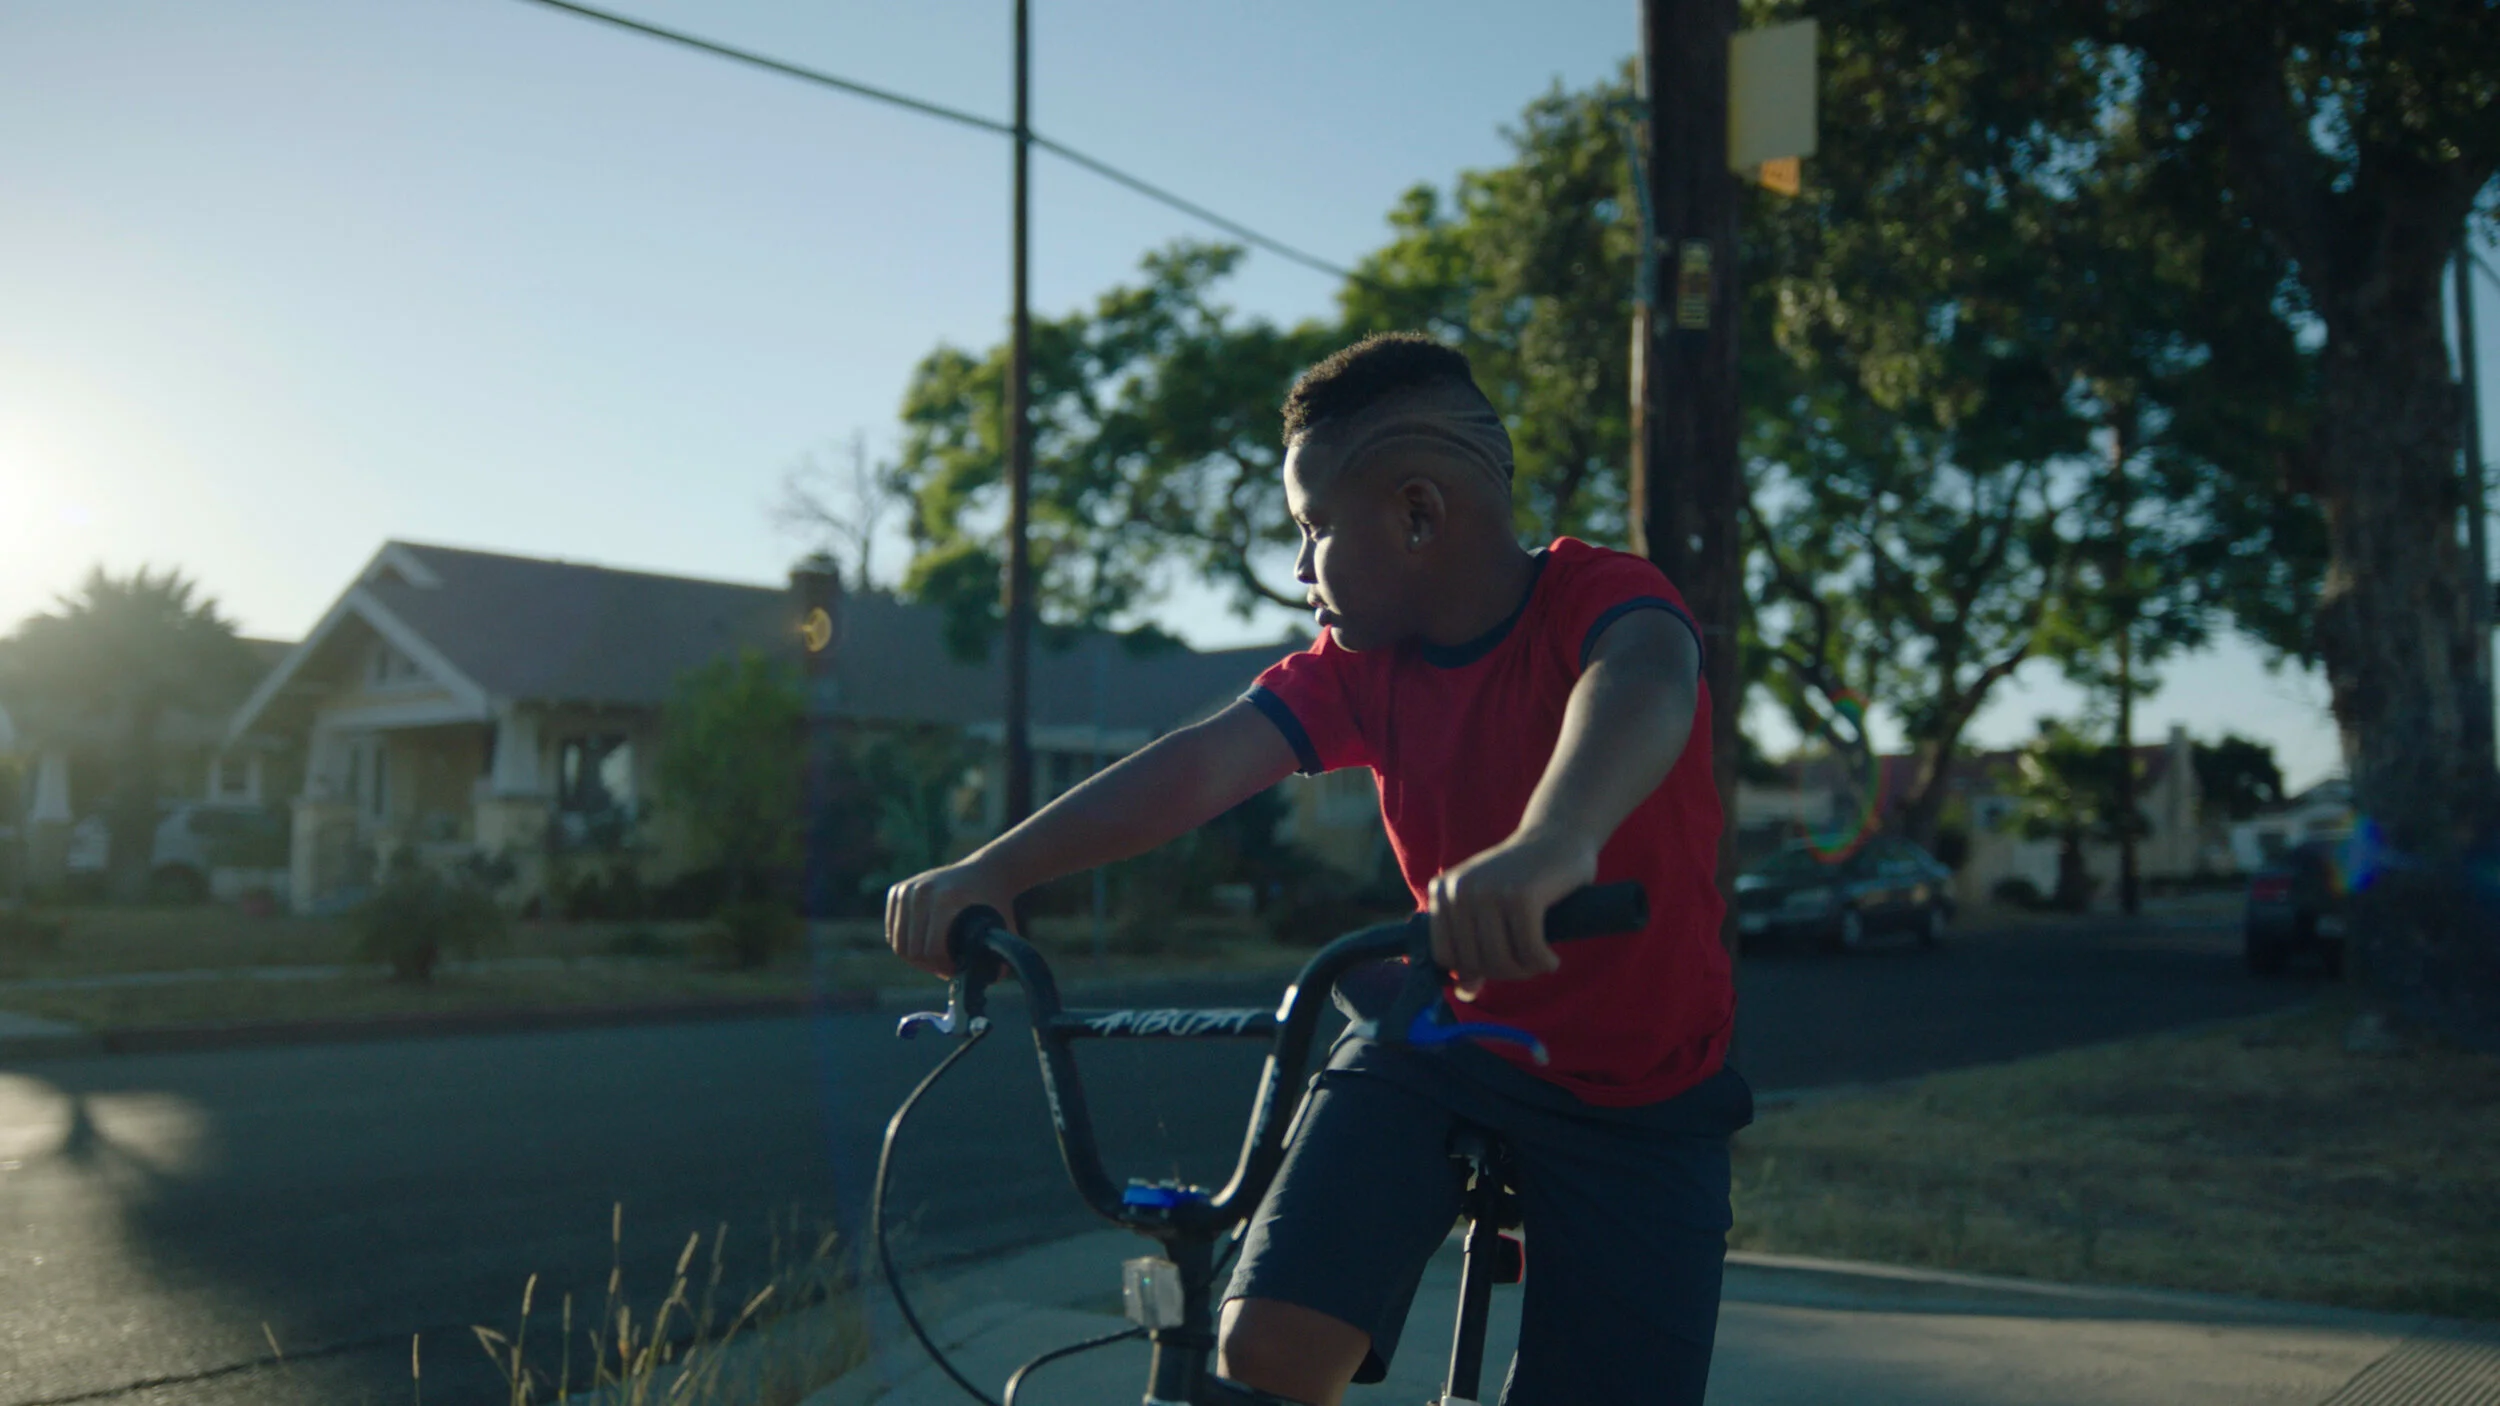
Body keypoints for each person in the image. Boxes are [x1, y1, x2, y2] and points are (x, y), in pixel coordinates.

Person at [885, 332, 1749, 1406]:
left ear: (1418, 514)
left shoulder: (1600, 599)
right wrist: (997, 866)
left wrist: (1552, 842)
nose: (1300, 569)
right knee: (1266, 1347)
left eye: (1312, 528)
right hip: (1440, 1034)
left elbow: (1643, 682)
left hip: (1640, 1085)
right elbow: (1202, 763)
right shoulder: (1356, 668)